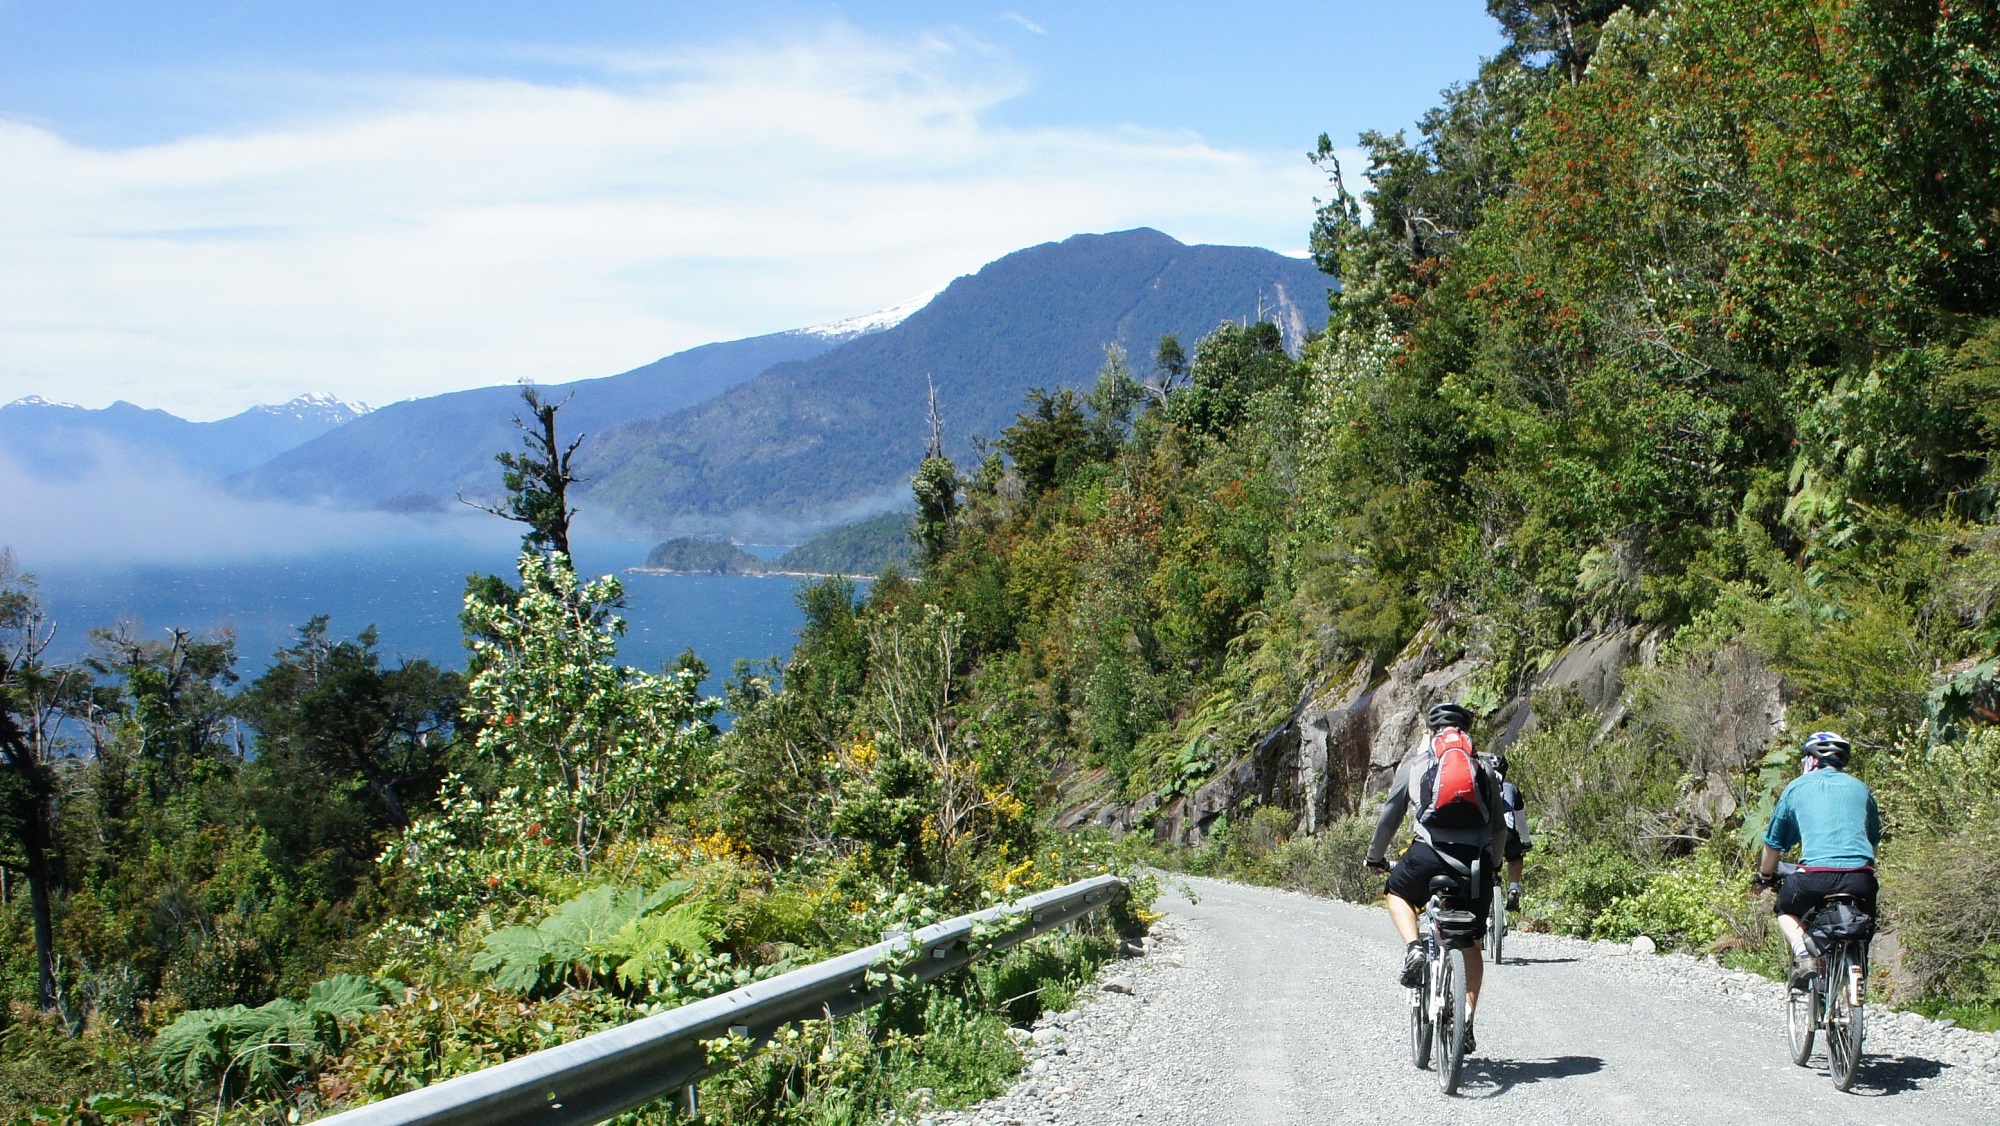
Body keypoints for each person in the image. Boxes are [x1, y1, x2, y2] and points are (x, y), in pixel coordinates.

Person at [1366, 701, 1505, 1051]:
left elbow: (1390, 816)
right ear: (1467, 732)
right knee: (1471, 943)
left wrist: (1375, 857)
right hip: (1473, 863)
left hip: (1427, 855)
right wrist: (1496, 864)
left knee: (1397, 893)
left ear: (1430, 732)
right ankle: (1467, 1019)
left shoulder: (1414, 765)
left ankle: (1414, 948)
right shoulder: (1484, 769)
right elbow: (1499, 827)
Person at [1754, 732, 1882, 989]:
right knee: (1863, 920)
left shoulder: (1797, 787)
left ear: (1811, 761)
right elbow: (1873, 840)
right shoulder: (1860, 787)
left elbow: (1773, 844)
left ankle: (1803, 954)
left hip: (1815, 876)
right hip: (1861, 877)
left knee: (1785, 908)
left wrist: (1765, 876)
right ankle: (1857, 969)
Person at [1487, 752, 1530, 911]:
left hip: (1483, 834)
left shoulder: (1478, 785)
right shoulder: (1512, 788)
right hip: (1507, 834)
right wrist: (1526, 841)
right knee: (1515, 857)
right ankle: (1513, 888)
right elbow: (1521, 820)